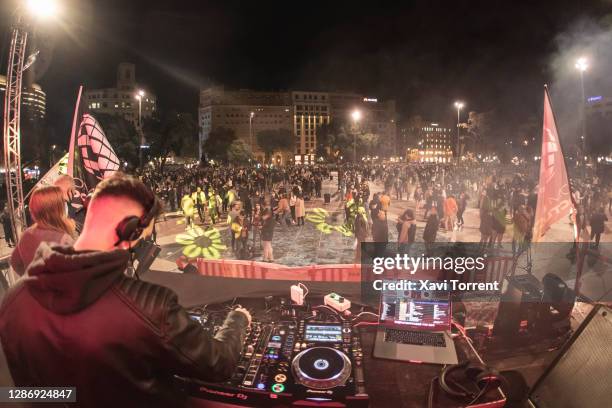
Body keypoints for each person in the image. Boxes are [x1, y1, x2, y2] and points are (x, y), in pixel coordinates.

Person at [0, 174, 251, 408]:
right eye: (142, 237)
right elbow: (219, 363)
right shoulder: (151, 305)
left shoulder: (13, 301)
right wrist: (238, 319)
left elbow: (23, 392)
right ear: (129, 230)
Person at [10, 186, 76, 276]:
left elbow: (15, 262)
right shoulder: (64, 240)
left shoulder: (27, 234)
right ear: (57, 209)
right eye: (62, 202)